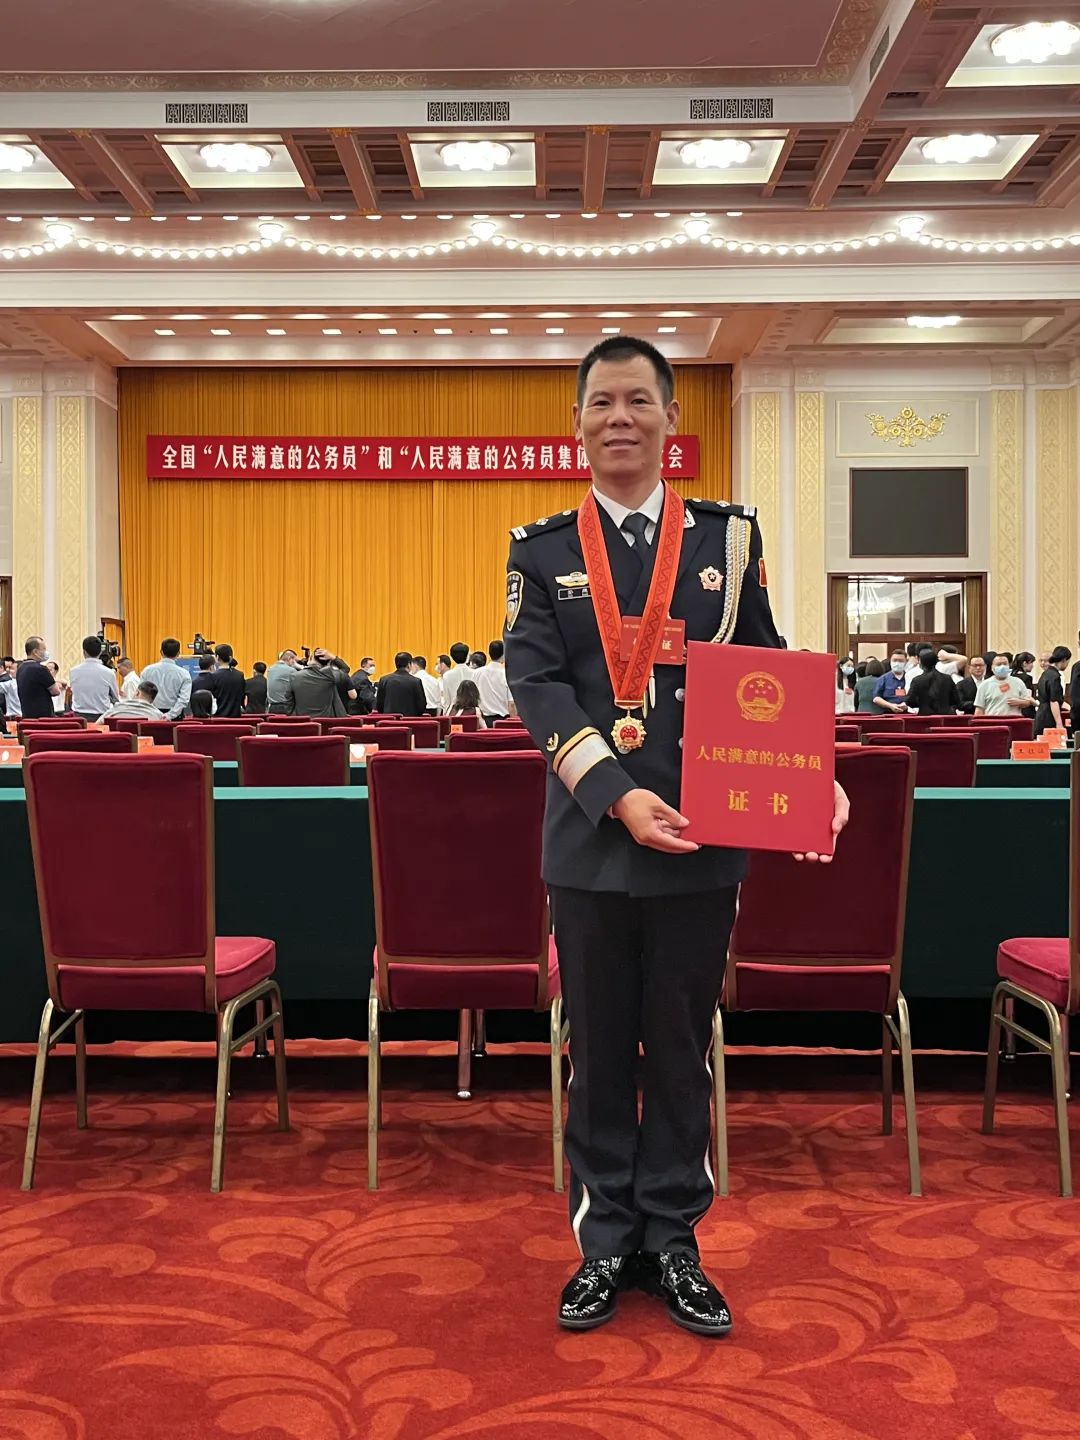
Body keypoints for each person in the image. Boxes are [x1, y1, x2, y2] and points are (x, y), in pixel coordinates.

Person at [504, 335, 848, 1338]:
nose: (619, 418)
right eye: (601, 403)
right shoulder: (542, 550)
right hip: (592, 837)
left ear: (669, 420)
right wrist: (616, 795)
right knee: (600, 1052)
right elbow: (537, 686)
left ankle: (675, 1240)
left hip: (706, 832)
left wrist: (811, 772)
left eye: (638, 401)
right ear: (577, 423)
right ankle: (606, 1242)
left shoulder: (727, 542)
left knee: (683, 1052)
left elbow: (765, 663)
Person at [285, 648, 348, 718]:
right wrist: (333, 658)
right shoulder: (330, 675)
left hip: (303, 720)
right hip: (326, 721)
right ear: (328, 662)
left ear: (310, 659)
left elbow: (288, 701)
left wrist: (293, 717)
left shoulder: (294, 676)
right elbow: (345, 669)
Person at [69, 635, 119, 720]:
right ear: (100, 652)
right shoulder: (109, 673)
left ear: (84, 652)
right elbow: (115, 699)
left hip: (79, 718)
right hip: (101, 718)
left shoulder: (73, 671)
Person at [142, 638, 193, 720]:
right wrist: (170, 715)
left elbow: (142, 695)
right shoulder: (184, 674)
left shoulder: (147, 671)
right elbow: (184, 700)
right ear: (178, 653)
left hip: (151, 715)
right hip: (175, 717)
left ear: (161, 652)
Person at [16, 636, 61, 719]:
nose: (45, 652)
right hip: (43, 718)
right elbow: (56, 691)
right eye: (43, 649)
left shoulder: (20, 668)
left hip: (27, 717)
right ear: (35, 652)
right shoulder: (41, 669)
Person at [905, 646, 959, 716]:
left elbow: (910, 701)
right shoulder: (947, 678)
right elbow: (956, 700)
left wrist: (922, 703)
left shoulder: (917, 680)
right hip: (945, 716)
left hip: (925, 717)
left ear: (920, 662)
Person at [473, 640, 514, 724]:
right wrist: (514, 722)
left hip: (482, 720)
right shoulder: (506, 674)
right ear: (504, 654)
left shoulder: (477, 673)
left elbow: (473, 696)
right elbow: (511, 704)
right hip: (502, 721)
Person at [375, 652, 427, 716]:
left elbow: (379, 704)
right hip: (409, 719)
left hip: (389, 719)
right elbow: (421, 705)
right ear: (409, 664)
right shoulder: (416, 681)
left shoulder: (384, 680)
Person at [1034, 646, 1071, 737]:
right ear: (1064, 660)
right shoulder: (1055, 677)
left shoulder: (1045, 673)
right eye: (1067, 662)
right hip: (1049, 717)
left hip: (1040, 715)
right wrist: (1059, 723)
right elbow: (1054, 701)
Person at [209, 643, 246, 718]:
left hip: (218, 719)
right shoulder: (240, 675)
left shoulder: (213, 676)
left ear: (217, 657)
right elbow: (242, 696)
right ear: (231, 657)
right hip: (236, 718)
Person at [441, 642, 474, 713]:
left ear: (452, 658)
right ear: (467, 656)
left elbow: (447, 701)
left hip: (454, 712)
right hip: (472, 712)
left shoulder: (447, 675)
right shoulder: (474, 673)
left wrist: (445, 714)